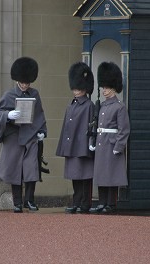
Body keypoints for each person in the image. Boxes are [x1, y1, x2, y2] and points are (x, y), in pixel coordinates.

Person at [0, 57, 47, 213]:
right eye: (22, 82)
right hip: (14, 136)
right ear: (17, 81)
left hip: (30, 136)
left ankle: (29, 200)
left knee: (31, 169)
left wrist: (42, 131)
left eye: (27, 83)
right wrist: (8, 115)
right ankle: (17, 202)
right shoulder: (8, 95)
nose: (24, 85)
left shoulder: (34, 94)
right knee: (15, 171)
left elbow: (39, 115)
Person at [89, 61, 130, 214]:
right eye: (104, 88)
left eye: (106, 88)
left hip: (112, 144)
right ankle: (101, 202)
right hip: (101, 142)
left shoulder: (119, 107)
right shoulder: (102, 106)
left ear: (113, 88)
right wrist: (92, 141)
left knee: (111, 175)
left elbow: (124, 129)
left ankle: (111, 204)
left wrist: (118, 147)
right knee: (101, 174)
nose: (104, 90)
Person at [56, 62, 95, 214]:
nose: (76, 90)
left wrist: (90, 144)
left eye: (79, 88)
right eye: (75, 87)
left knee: (85, 176)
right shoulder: (71, 105)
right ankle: (76, 201)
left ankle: (85, 203)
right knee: (75, 175)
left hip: (83, 144)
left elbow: (91, 126)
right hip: (72, 144)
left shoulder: (89, 105)